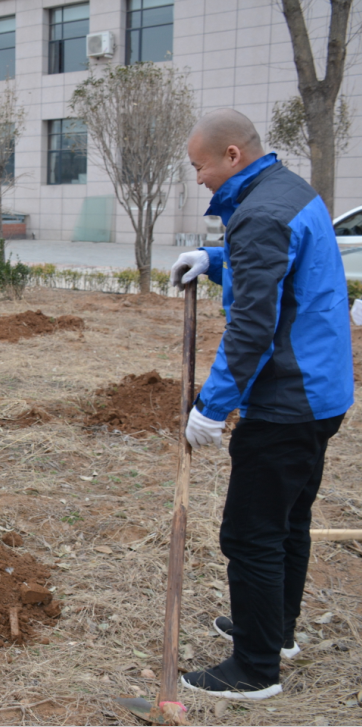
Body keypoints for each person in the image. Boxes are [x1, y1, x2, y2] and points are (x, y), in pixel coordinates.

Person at [170, 109, 353, 699]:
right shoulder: (289, 191)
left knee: (250, 534)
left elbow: (252, 325)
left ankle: (253, 669)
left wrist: (211, 405)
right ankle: (275, 632)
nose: (198, 179)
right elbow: (274, 272)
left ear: (231, 156)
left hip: (286, 402)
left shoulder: (262, 212)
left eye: (199, 166)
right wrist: (214, 259)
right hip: (322, 395)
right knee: (286, 522)